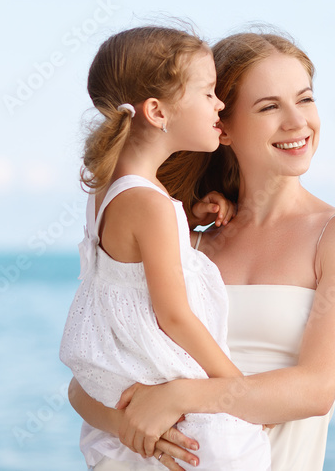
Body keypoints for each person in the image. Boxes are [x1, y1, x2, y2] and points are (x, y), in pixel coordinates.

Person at [68, 31, 335, 471]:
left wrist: (179, 396)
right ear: (223, 125)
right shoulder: (184, 239)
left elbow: (317, 390)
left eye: (305, 99)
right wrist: (129, 428)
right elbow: (84, 382)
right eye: (269, 106)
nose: (297, 122)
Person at [59, 26, 272, 470]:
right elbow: (173, 315)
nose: (220, 105)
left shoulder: (110, 190)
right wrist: (239, 390)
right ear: (157, 111)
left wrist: (187, 218)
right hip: (170, 389)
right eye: (209, 93)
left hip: (122, 388)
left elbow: (127, 260)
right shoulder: (152, 206)